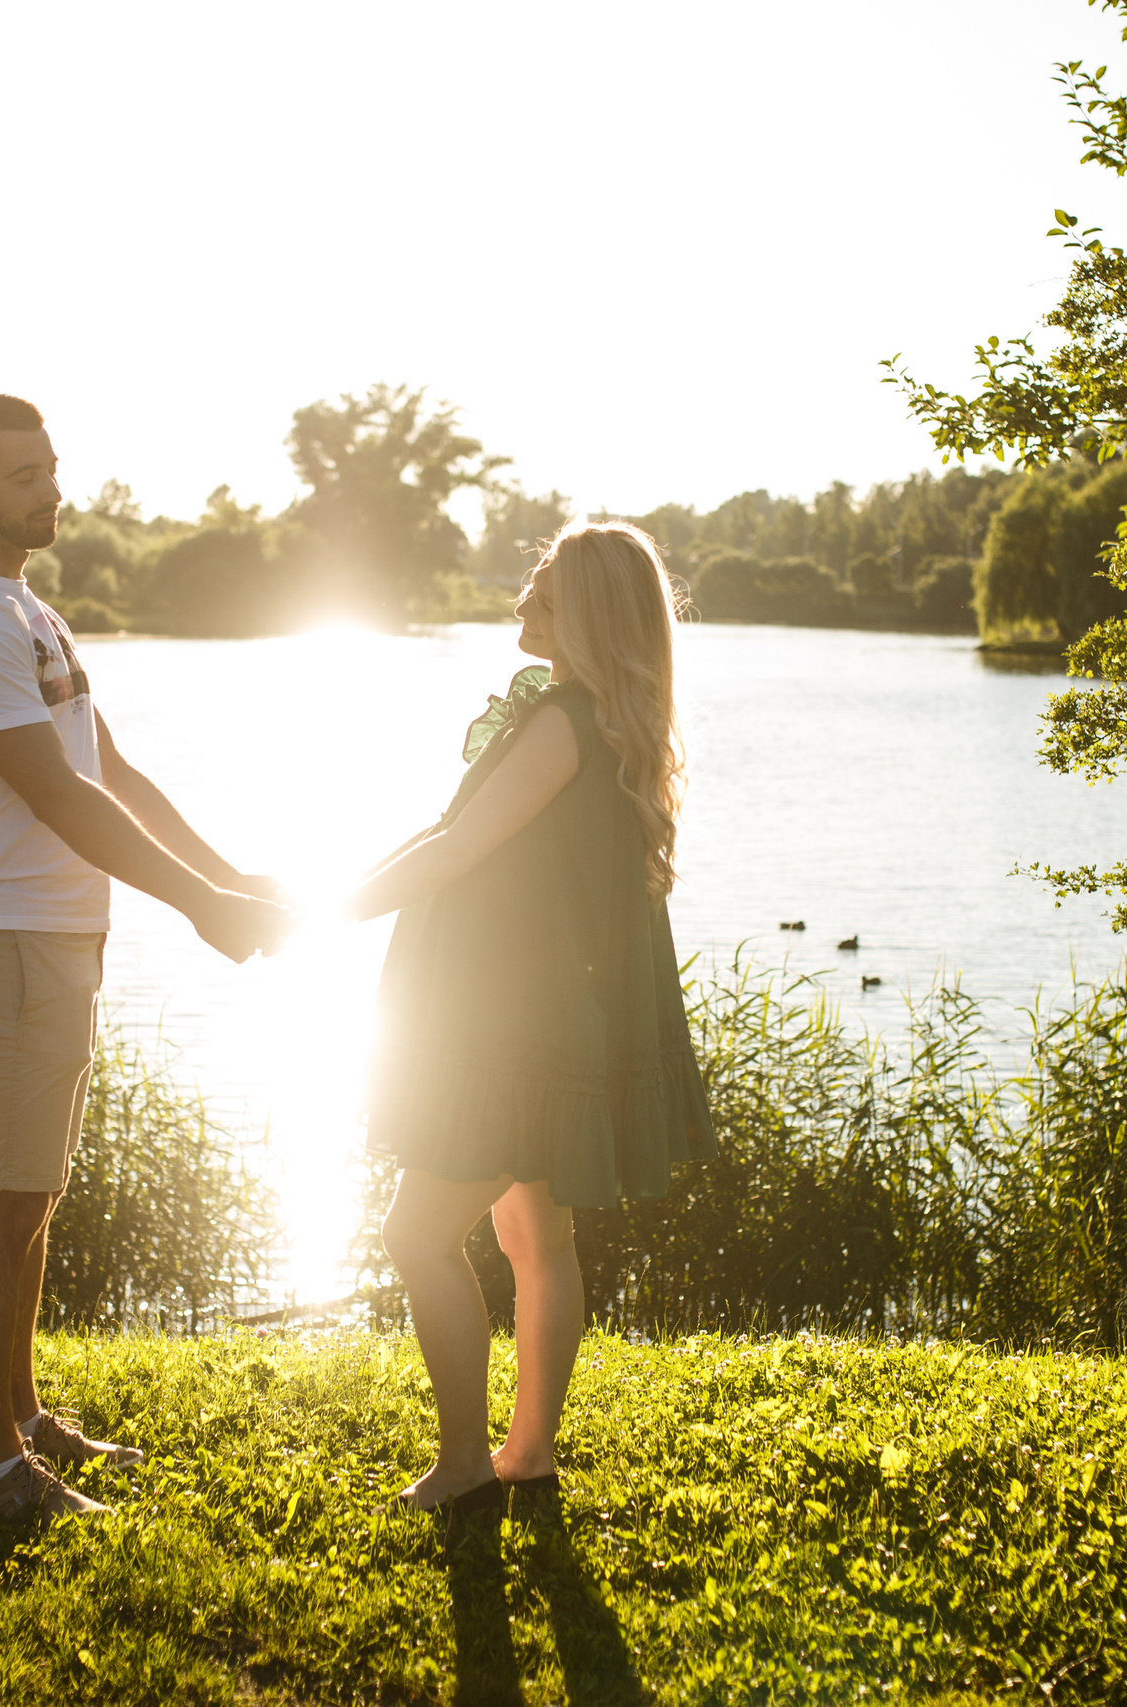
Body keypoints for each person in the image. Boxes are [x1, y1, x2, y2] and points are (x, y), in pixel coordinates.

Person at [0, 393, 289, 1528]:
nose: (49, 489)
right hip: (4, 936)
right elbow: (54, 794)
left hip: (53, 936)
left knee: (33, 1198)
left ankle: (22, 1422)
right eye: (22, 475)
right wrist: (198, 905)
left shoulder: (25, 607)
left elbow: (107, 767)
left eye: (51, 467)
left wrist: (231, 875)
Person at [348, 520, 714, 1515]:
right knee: (531, 1235)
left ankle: (468, 1462)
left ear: (583, 614)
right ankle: (528, 1455)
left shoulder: (560, 720)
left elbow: (458, 847)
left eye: (542, 589)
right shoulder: (601, 720)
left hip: (510, 1026)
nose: (521, 598)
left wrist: (318, 915)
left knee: (416, 1234)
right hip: (557, 1018)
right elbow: (449, 832)